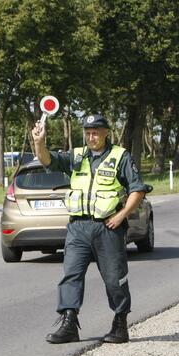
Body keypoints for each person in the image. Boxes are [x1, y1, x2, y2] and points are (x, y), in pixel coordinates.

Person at [32, 114, 147, 344]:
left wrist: (122, 215)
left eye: (95, 132)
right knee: (71, 275)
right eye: (87, 132)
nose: (91, 136)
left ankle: (120, 323)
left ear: (106, 133)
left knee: (115, 278)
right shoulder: (77, 156)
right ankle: (68, 323)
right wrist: (39, 142)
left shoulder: (119, 156)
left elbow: (138, 189)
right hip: (78, 227)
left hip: (108, 228)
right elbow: (47, 160)